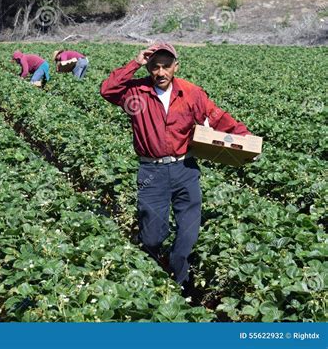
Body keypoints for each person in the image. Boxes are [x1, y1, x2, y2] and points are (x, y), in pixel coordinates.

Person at [100, 43, 251, 288]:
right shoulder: (136, 93)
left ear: (176, 67)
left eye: (166, 66)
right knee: (152, 235)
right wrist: (134, 63)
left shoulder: (191, 93)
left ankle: (181, 281)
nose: (161, 72)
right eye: (155, 67)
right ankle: (151, 274)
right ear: (149, 68)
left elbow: (217, 118)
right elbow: (107, 90)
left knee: (188, 233)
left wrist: (246, 141)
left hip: (185, 170)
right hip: (152, 171)